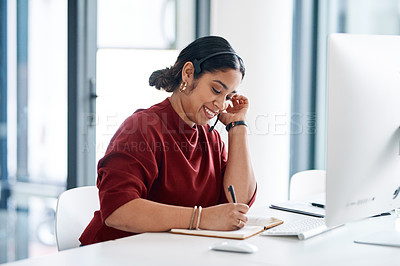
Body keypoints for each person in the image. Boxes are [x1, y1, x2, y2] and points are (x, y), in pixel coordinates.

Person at [79, 36, 257, 245]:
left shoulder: (211, 139)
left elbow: (238, 201)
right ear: (188, 74)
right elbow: (118, 210)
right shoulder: (142, 128)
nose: (220, 104)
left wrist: (237, 127)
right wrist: (201, 218)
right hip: (113, 254)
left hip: (167, 254)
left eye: (228, 96)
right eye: (216, 90)